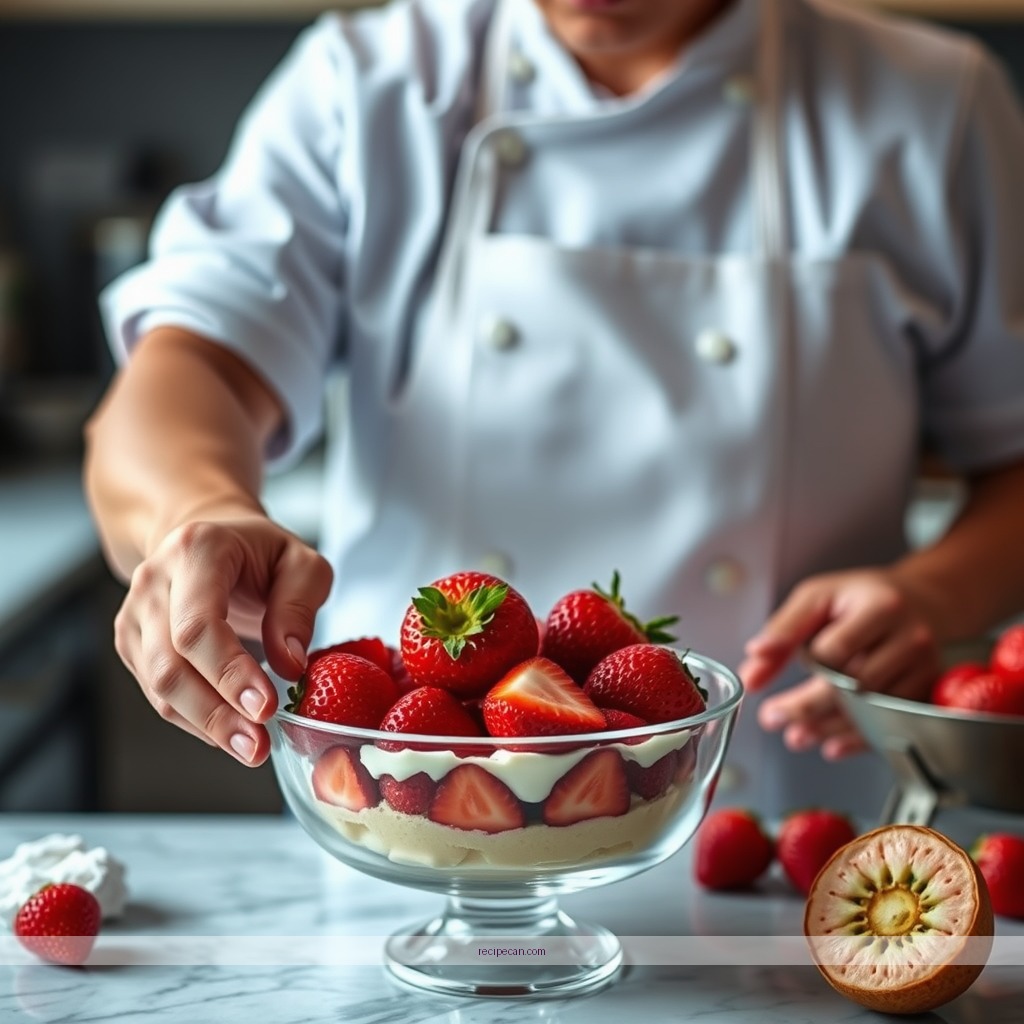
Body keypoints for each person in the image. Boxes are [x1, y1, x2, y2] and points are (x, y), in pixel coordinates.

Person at [84, 0, 1024, 817]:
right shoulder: (369, 84)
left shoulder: (931, 105)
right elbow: (184, 373)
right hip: (410, 816)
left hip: (780, 823)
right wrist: (198, 513)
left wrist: (933, 595)